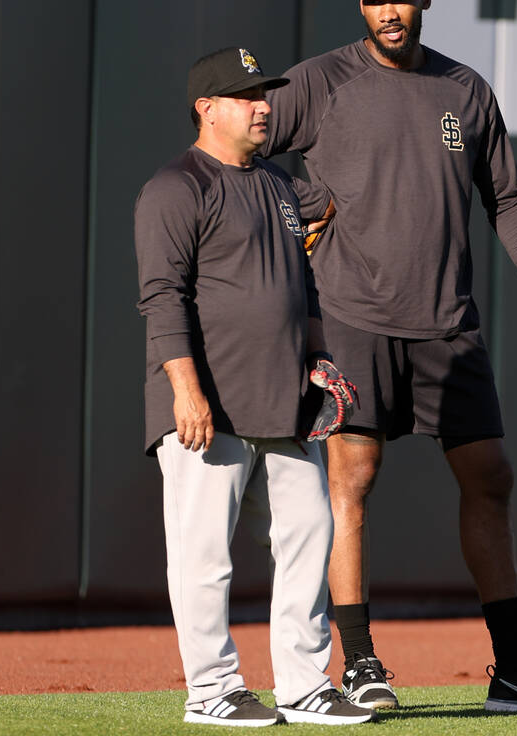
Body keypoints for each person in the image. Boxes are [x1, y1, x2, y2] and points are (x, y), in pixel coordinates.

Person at [262, 0, 517, 715]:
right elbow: (244, 148)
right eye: (375, 0)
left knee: (490, 478)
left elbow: (509, 198)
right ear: (361, 6)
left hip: (449, 324)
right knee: (351, 484)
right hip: (354, 319)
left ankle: (516, 671)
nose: (389, 11)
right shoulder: (321, 81)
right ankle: (359, 664)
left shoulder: (464, 89)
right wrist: (300, 209)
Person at [134, 46, 372, 727]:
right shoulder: (176, 187)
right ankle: (211, 690)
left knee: (309, 534)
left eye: (263, 93)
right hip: (208, 400)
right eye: (246, 95)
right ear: (207, 109)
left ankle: (304, 686)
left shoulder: (276, 184)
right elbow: (162, 298)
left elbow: (304, 277)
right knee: (205, 555)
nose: (264, 104)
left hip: (286, 397)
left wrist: (320, 355)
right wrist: (186, 389)